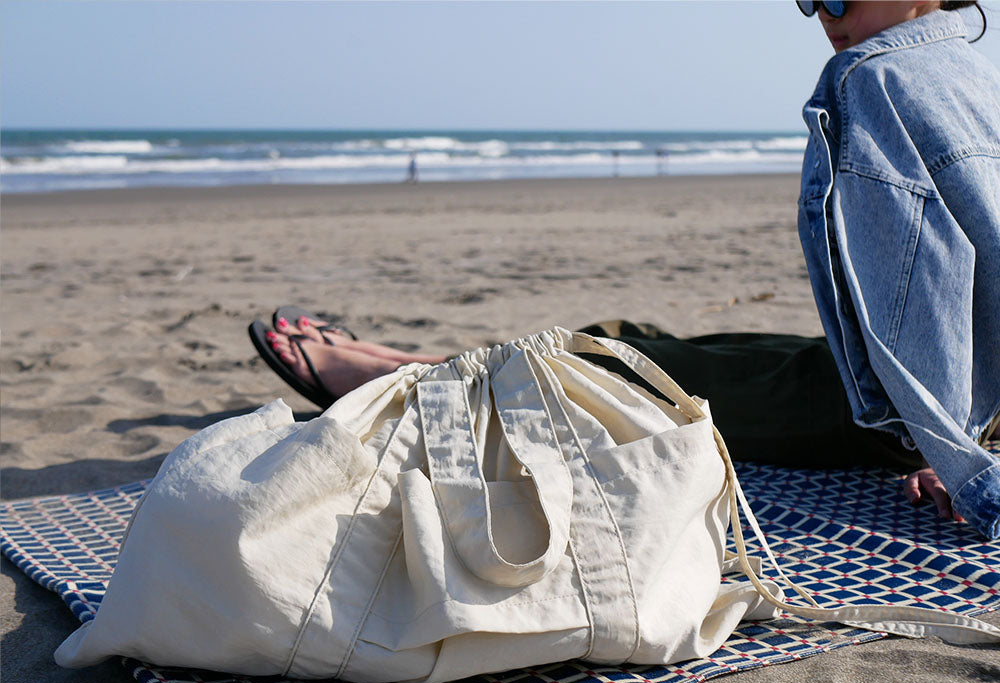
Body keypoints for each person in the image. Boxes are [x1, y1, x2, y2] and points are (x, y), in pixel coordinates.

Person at [253, 2, 1000, 538]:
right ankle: (410, 363)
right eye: (808, 0)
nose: (823, 15)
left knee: (601, 382)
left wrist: (950, 451)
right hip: (892, 380)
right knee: (629, 342)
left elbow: (954, 265)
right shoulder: (960, 69)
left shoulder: (878, 78)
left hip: (905, 410)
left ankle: (398, 381)